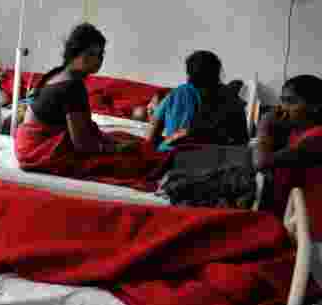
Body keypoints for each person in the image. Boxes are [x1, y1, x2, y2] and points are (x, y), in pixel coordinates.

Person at [13, 23, 171, 191]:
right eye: (97, 55)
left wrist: (111, 142)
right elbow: (82, 145)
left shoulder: (57, 73)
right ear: (83, 55)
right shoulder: (72, 86)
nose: (100, 60)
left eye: (102, 55)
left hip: (27, 147)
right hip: (40, 152)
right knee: (136, 159)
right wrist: (116, 148)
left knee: (122, 137)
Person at [148, 50, 250, 150]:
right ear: (217, 72)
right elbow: (242, 141)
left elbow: (151, 137)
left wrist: (167, 142)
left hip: (172, 154)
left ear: (189, 73)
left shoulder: (175, 94)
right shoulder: (231, 98)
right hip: (212, 156)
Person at [255, 74, 322, 226]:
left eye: (291, 101)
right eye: (282, 101)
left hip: (306, 224)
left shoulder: (317, 138)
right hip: (290, 214)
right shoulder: (297, 130)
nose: (283, 108)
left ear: (315, 106)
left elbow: (261, 163)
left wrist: (264, 124)